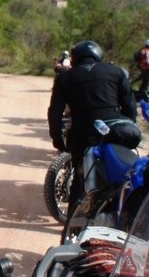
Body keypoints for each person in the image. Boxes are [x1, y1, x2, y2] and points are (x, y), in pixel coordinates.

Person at [47, 40, 137, 214]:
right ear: (99, 55)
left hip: (82, 135)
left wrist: (57, 140)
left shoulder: (65, 77)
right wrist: (128, 127)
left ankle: (72, 227)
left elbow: (55, 112)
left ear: (74, 59)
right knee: (121, 176)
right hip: (115, 133)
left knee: (79, 182)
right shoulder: (116, 72)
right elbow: (130, 108)